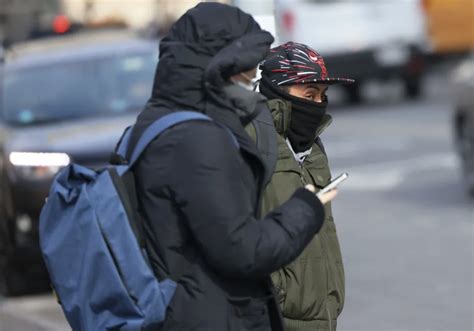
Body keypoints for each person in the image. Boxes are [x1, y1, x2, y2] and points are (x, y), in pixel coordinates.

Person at [126, 4, 337, 331]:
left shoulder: (155, 124)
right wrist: (305, 209)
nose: (252, 82)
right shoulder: (197, 139)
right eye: (245, 74)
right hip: (206, 318)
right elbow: (243, 250)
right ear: (217, 65)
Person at [254, 42, 355, 331]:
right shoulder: (253, 143)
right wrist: (275, 291)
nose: (317, 104)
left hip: (323, 314)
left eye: (322, 96)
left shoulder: (312, 147)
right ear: (276, 92)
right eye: (308, 95)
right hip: (275, 317)